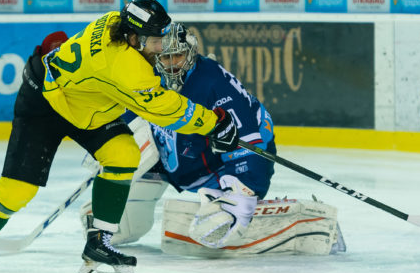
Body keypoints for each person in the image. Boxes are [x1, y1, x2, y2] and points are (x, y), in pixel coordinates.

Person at [0, 0, 240, 273]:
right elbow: (167, 111)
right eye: (155, 39)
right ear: (134, 38)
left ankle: (99, 244)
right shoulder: (126, 69)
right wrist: (215, 123)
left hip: (86, 104)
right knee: (17, 190)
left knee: (123, 154)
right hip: (43, 104)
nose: (161, 45)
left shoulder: (113, 21)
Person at [81, 22, 276, 249]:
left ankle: (232, 199)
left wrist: (243, 189)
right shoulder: (147, 74)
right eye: (165, 57)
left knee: (219, 220)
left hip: (221, 163)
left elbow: (245, 137)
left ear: (190, 51)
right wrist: (105, 144)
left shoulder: (213, 83)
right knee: (125, 225)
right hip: (175, 155)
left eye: (178, 56)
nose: (172, 64)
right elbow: (128, 108)